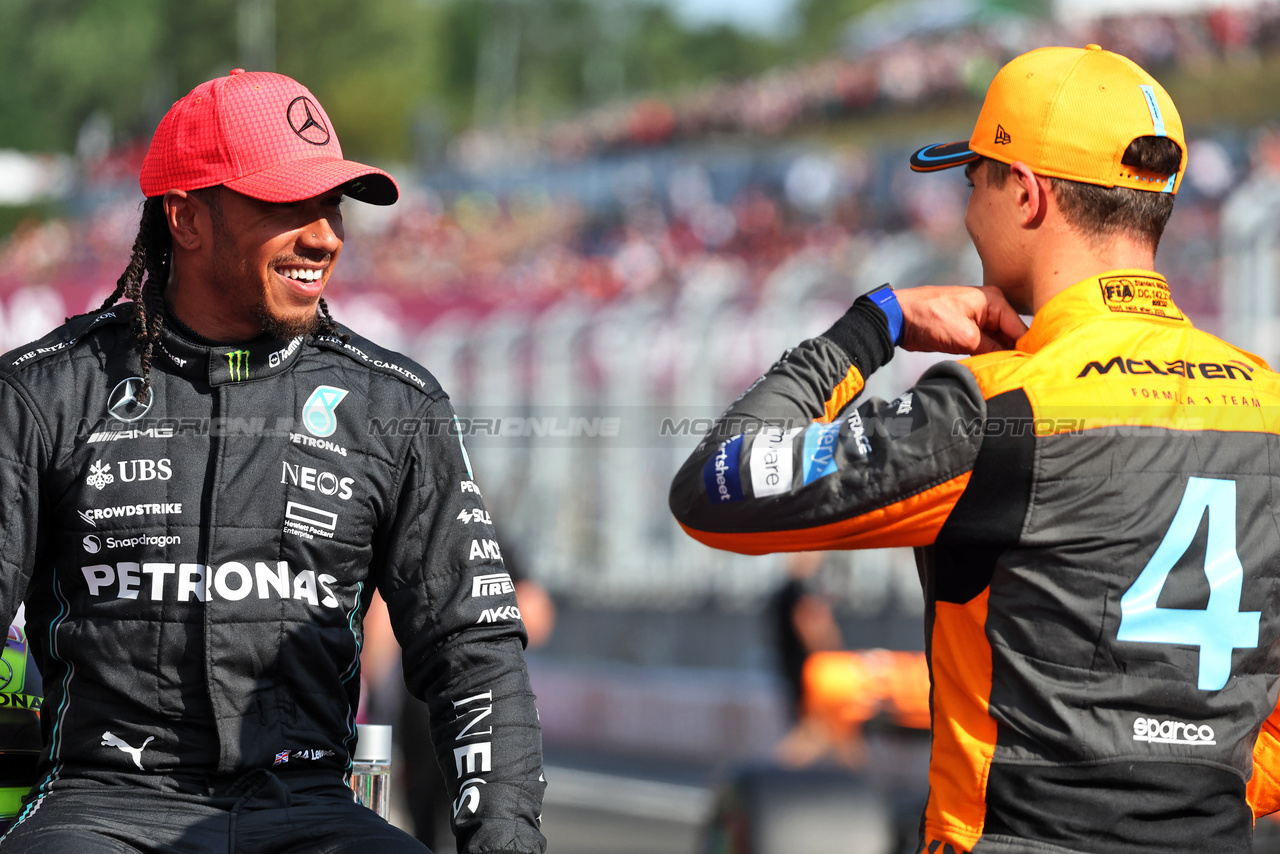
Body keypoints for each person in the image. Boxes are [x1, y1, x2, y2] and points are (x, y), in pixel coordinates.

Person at [670, 44, 1280, 854]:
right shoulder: (1268, 403)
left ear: (1025, 195)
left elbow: (716, 487)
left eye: (973, 182)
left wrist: (871, 327)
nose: (965, 214)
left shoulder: (999, 409)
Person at [0, 69, 546, 854]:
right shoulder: (44, 393)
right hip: (103, 809)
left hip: (312, 808)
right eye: (289, 205)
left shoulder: (394, 405)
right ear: (186, 218)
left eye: (331, 205)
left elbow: (475, 650)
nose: (327, 235)